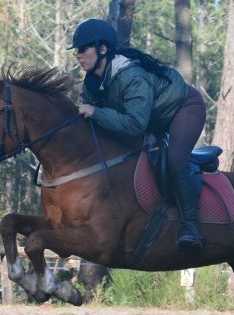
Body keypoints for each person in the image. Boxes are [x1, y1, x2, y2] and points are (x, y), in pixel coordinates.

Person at [69, 18, 207, 252]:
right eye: (77, 51)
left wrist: (95, 112)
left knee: (175, 161)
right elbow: (94, 122)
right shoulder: (92, 81)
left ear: (102, 50)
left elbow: (134, 125)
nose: (78, 55)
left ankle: (190, 227)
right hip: (152, 118)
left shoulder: (131, 76)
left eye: (83, 49)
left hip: (183, 109)